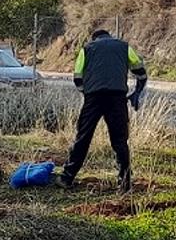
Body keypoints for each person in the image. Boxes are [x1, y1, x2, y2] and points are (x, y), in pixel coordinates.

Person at [56, 29, 148, 192]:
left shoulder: (87, 49)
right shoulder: (124, 47)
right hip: (117, 98)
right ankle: (125, 183)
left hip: (93, 99)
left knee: (83, 138)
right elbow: (141, 73)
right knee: (120, 141)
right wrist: (136, 93)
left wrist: (88, 94)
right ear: (109, 36)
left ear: (94, 38)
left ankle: (67, 177)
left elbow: (77, 78)